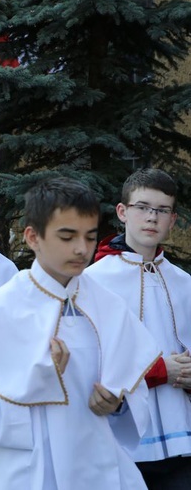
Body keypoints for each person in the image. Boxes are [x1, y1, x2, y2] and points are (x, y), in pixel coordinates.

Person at [0, 177, 161, 490]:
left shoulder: (109, 307)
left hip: (100, 470)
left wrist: (118, 405)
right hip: (28, 472)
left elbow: (132, 389)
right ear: (33, 237)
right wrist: (37, 380)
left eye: (90, 237)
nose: (81, 249)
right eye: (67, 237)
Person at [85, 168, 191, 488]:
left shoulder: (185, 283)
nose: (151, 218)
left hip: (182, 439)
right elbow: (89, 364)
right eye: (142, 207)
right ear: (122, 212)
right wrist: (159, 371)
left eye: (161, 211)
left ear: (172, 221)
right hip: (124, 440)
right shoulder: (94, 281)